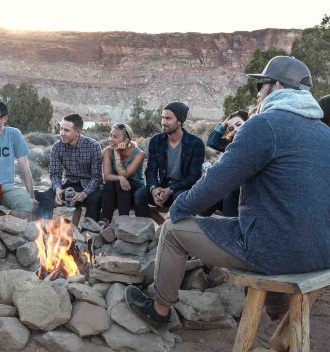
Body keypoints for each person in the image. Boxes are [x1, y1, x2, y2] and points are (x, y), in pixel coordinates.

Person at [125, 56, 330, 328]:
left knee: (173, 230)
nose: (258, 92)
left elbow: (218, 182)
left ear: (277, 85)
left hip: (275, 250)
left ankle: (159, 311)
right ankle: (280, 317)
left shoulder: (264, 125)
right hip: (321, 252)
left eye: (262, 85)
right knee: (246, 226)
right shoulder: (324, 132)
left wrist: (178, 207)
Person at [133, 102, 205, 218]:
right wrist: (154, 189)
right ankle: (145, 234)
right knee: (139, 195)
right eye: (162, 118)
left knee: (180, 198)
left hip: (182, 189)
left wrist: (170, 189)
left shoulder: (195, 143)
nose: (163, 122)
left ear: (180, 121)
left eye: (168, 118)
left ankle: (173, 233)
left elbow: (194, 176)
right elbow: (150, 170)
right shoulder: (156, 141)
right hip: (163, 187)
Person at [36, 113, 103, 222]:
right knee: (46, 197)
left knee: (95, 199)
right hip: (69, 184)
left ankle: (88, 234)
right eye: (61, 129)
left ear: (78, 132)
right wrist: (57, 188)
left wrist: (84, 193)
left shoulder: (93, 146)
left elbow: (97, 177)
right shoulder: (57, 147)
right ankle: (44, 231)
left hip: (89, 186)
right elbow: (55, 174)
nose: (61, 133)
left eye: (66, 130)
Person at [202, 110, 249, 217]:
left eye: (239, 124)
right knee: (210, 194)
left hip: (245, 195)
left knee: (227, 192)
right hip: (230, 194)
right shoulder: (231, 144)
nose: (236, 130)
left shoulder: (258, 142)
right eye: (231, 129)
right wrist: (225, 123)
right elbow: (212, 142)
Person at [100, 123, 145, 223]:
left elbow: (124, 175)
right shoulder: (107, 151)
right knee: (109, 184)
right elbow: (106, 176)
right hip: (115, 187)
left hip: (134, 187)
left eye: (115, 137)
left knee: (120, 185)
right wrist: (120, 178)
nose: (111, 139)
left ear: (126, 140)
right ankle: (105, 221)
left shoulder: (139, 154)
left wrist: (117, 153)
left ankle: (123, 222)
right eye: (110, 135)